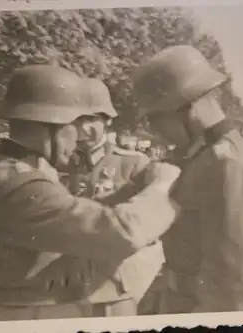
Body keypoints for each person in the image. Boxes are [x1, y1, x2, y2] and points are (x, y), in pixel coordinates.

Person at [0, 65, 181, 322]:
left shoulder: (8, 171)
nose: (78, 138)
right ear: (53, 126)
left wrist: (132, 189)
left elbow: (72, 212)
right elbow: (118, 232)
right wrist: (161, 186)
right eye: (75, 126)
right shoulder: (23, 186)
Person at [132, 45, 243, 313]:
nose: (154, 130)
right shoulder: (202, 157)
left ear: (184, 107)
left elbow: (234, 286)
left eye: (154, 118)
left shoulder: (225, 164)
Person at [65, 78, 164, 316]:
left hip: (117, 286)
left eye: (91, 120)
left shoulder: (134, 163)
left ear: (107, 121)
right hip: (70, 283)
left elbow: (150, 230)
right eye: (77, 120)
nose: (82, 129)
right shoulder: (60, 164)